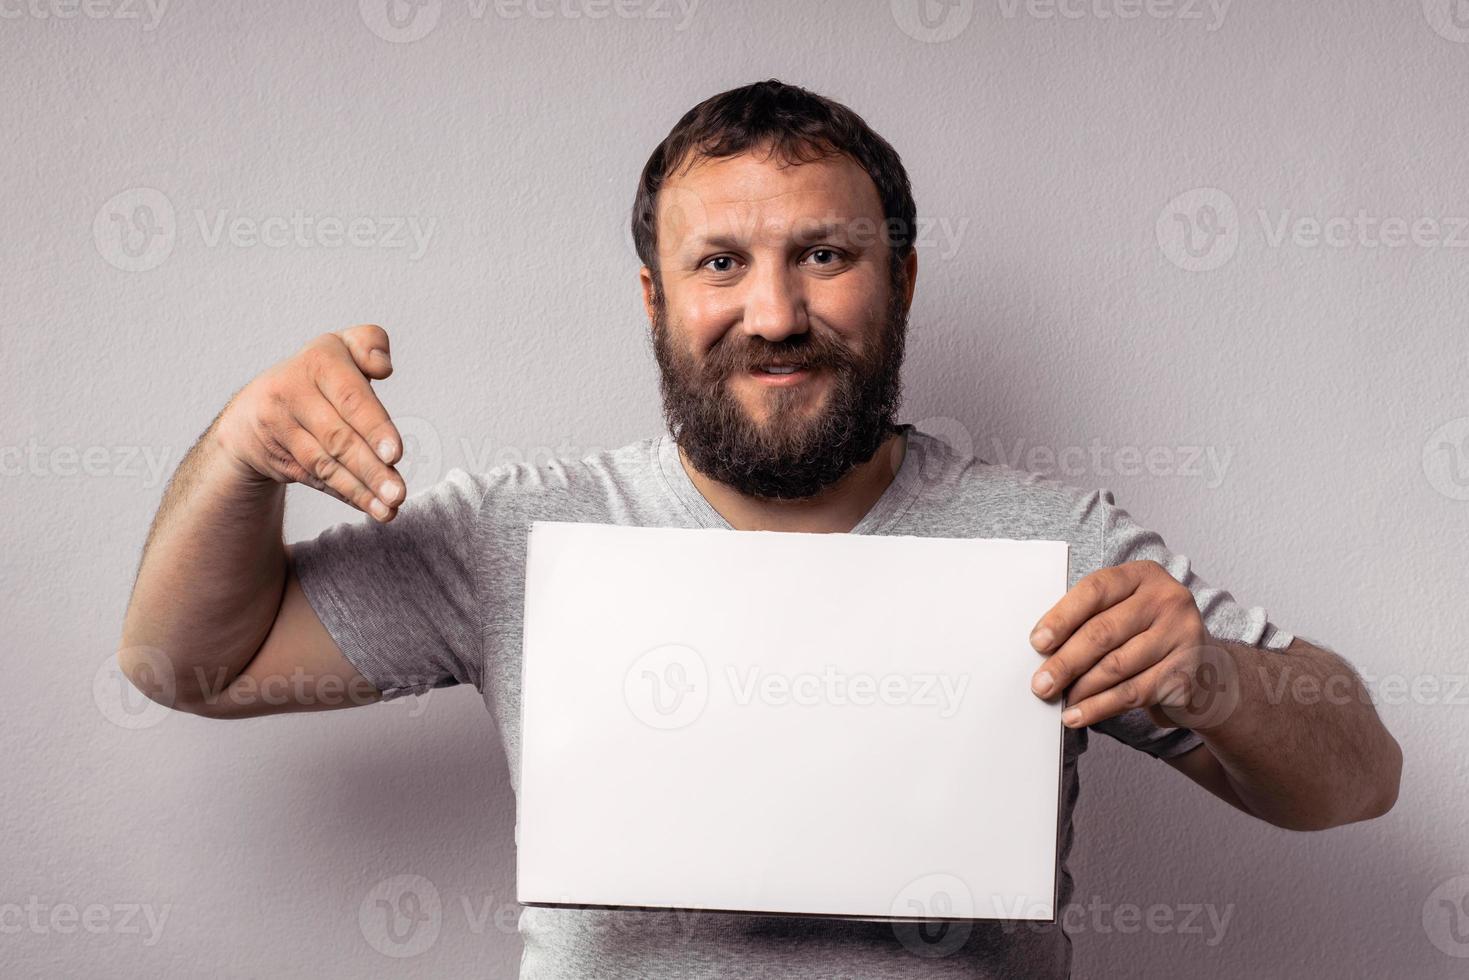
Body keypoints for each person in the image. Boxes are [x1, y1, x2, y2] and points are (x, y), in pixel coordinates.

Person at [119, 79, 1401, 978]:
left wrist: (1216, 675)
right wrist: (239, 458)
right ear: (655, 296)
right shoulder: (526, 529)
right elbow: (191, 664)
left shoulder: (1048, 539)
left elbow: (1359, 775)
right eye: (720, 262)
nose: (774, 312)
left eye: (825, 255)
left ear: (899, 279)